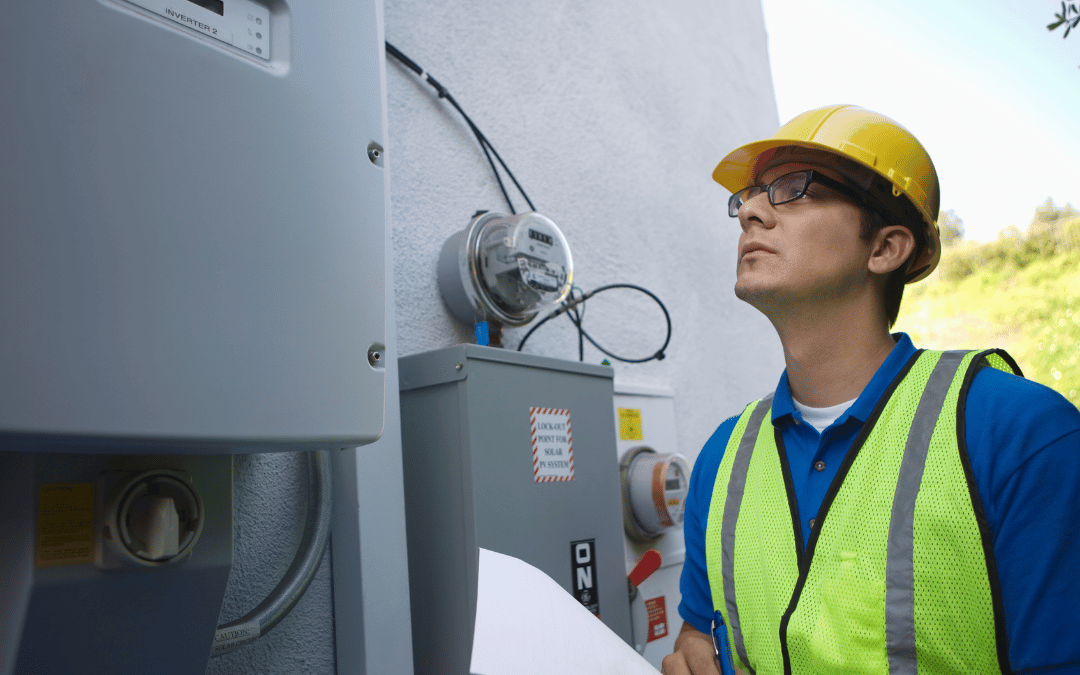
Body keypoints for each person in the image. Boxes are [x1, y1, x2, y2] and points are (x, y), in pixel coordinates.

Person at [662, 105, 1080, 675]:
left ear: (885, 248)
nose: (751, 212)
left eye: (793, 188)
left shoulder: (1021, 435)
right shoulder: (721, 459)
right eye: (749, 196)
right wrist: (690, 650)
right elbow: (699, 635)